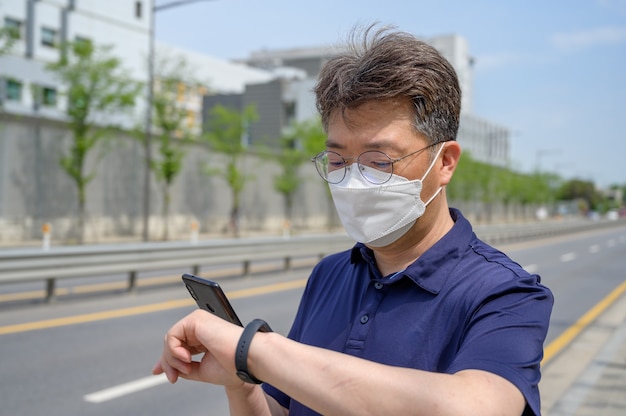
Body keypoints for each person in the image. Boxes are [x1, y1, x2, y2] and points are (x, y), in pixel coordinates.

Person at [153, 25, 553, 416]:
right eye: (339, 161)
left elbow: (474, 406)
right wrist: (241, 381)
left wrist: (251, 349)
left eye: (379, 161)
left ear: (444, 162)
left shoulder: (506, 294)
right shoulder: (330, 274)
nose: (354, 180)